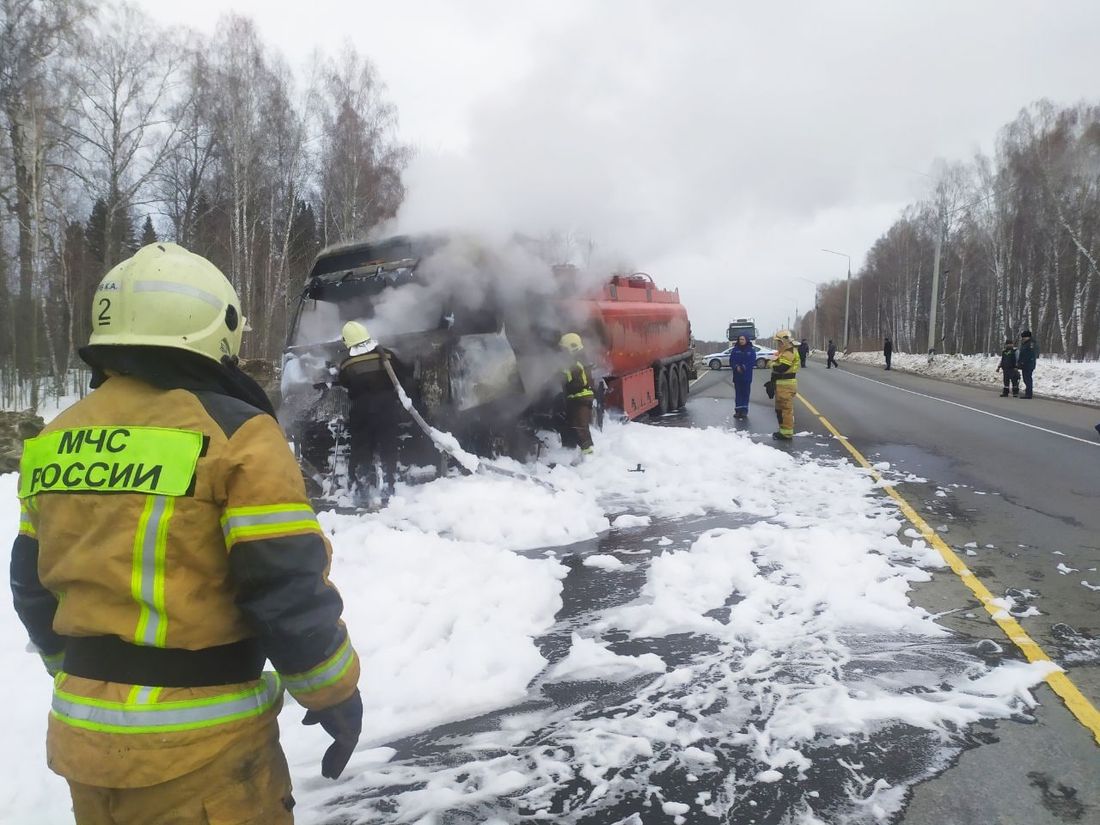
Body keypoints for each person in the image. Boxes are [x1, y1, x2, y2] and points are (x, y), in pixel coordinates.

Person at [10, 243, 362, 824]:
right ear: (214, 331)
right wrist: (333, 693)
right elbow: (284, 583)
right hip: (205, 750)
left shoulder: (56, 438)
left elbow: (30, 582)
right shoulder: (238, 433)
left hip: (81, 740)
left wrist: (85, 675)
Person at [338, 320, 404, 502]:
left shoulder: (347, 364)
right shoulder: (388, 356)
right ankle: (390, 485)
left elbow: (343, 382)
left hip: (362, 411)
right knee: (389, 446)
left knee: (362, 448)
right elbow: (402, 374)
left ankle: (363, 488)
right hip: (387, 408)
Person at [560, 332, 595, 455]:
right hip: (580, 397)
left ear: (572, 347)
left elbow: (567, 378)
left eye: (564, 349)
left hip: (580, 397)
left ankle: (588, 456)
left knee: (579, 427)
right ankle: (576, 452)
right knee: (575, 426)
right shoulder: (581, 359)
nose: (562, 351)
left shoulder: (574, 363)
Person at [769, 329, 800, 441]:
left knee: (785, 410)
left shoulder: (789, 352)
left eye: (779, 342)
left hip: (786, 385)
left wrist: (772, 364)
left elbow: (782, 368)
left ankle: (786, 433)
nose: (778, 344)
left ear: (783, 341)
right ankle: (783, 431)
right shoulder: (784, 352)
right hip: (781, 385)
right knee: (780, 409)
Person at [729, 334, 756, 419]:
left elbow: (752, 361)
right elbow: (731, 360)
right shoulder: (735, 350)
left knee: (745, 393)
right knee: (738, 393)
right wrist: (736, 367)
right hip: (737, 376)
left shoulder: (750, 350)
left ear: (746, 340)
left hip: (746, 376)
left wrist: (744, 367)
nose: (741, 341)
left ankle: (744, 411)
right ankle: (738, 411)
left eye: (743, 339)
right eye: (740, 339)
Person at [1018, 329, 1038, 399]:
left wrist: (1023, 362)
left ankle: (1029, 394)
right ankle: (1028, 392)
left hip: (1028, 364)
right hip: (1025, 364)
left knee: (1027, 379)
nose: (1023, 338)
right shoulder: (1025, 343)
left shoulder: (1031, 344)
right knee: (1026, 378)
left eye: (1024, 337)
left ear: (1028, 337)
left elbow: (1030, 354)